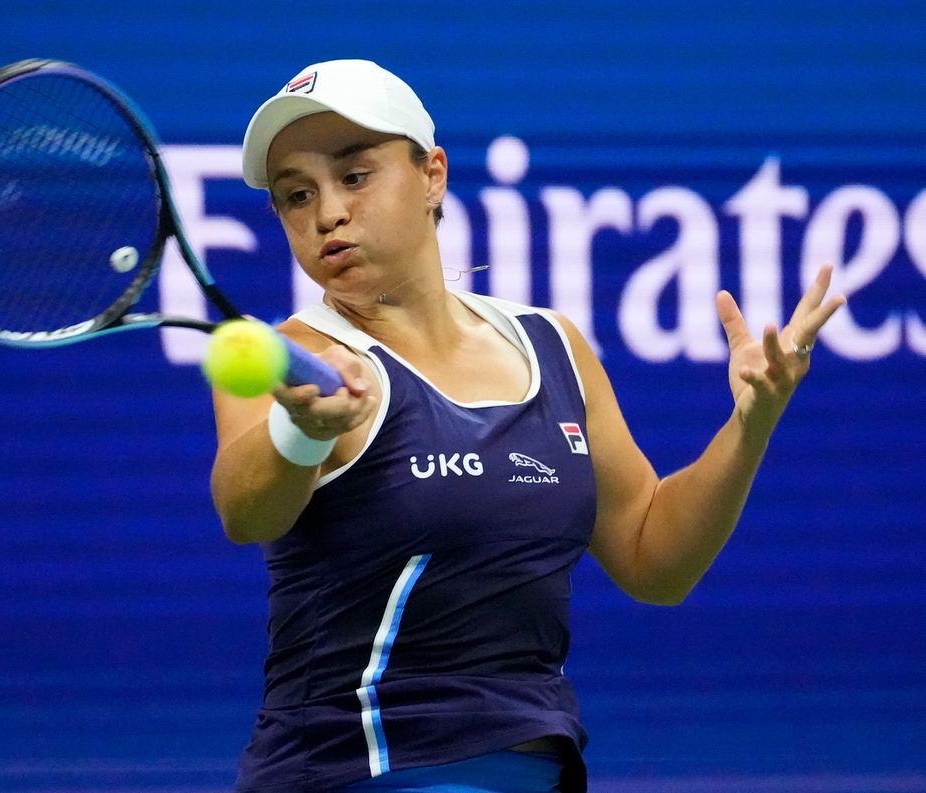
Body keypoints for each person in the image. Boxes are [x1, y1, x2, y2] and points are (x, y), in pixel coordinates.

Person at [209, 59, 845, 793]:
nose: (326, 214)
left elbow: (655, 558)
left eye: (355, 176)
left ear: (432, 176)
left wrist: (752, 420)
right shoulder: (295, 360)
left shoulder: (554, 347)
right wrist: (303, 431)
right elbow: (245, 508)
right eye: (297, 195)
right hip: (363, 769)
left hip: (538, 765)